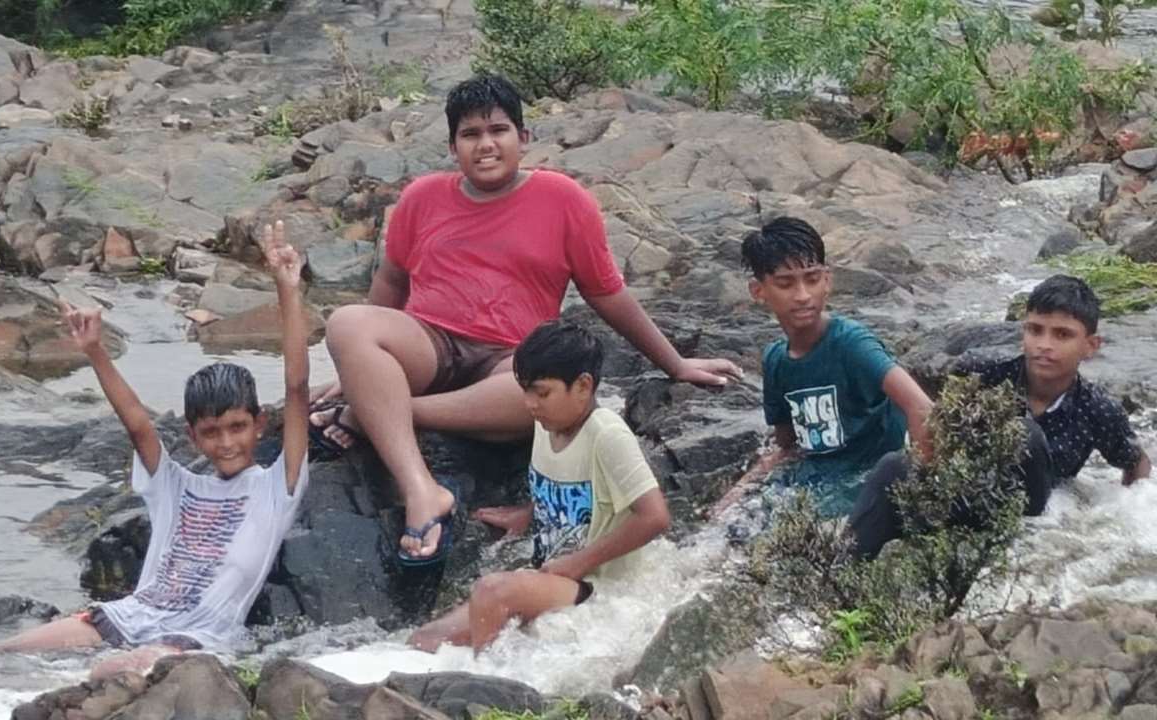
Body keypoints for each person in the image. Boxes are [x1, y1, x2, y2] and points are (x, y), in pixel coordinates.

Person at [307, 73, 739, 565]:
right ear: (452, 147)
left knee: (543, 396)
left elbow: (606, 292)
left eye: (498, 130)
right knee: (347, 322)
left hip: (512, 361)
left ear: (523, 137)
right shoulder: (422, 197)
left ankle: (372, 413)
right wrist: (354, 369)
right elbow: (389, 284)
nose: (485, 145)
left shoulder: (563, 199)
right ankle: (421, 490)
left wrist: (675, 363)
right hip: (429, 343)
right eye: (470, 134)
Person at [0, 222, 310, 679]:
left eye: (237, 428)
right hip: (127, 617)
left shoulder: (277, 488)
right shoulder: (175, 487)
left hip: (197, 637)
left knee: (114, 673)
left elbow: (297, 388)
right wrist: (95, 351)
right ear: (193, 437)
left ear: (259, 425)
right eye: (211, 432)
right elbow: (137, 424)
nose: (226, 443)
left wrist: (287, 289)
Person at [408, 320, 670, 652]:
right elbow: (571, 483)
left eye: (542, 392)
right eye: (525, 391)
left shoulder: (607, 435)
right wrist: (528, 512)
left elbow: (655, 516)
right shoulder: (547, 425)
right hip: (551, 576)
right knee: (425, 640)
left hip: (598, 586)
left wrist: (579, 562)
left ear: (583, 386)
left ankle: (484, 677)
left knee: (491, 592)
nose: (530, 403)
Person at [850, 274, 1152, 558]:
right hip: (964, 495)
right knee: (892, 467)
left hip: (1035, 523)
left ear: (1090, 346)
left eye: (1062, 335)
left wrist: (1116, 519)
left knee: (1026, 435)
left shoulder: (1097, 410)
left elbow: (1136, 464)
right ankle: (839, 571)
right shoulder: (981, 373)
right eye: (1035, 330)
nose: (1044, 345)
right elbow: (936, 424)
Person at [712, 216, 934, 518]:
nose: (803, 295)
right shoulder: (776, 360)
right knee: (732, 527)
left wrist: (924, 496)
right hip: (815, 483)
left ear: (827, 281)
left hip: (868, 482)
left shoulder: (852, 344)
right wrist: (739, 491)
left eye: (812, 279)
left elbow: (922, 407)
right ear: (758, 291)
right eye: (785, 283)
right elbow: (787, 446)